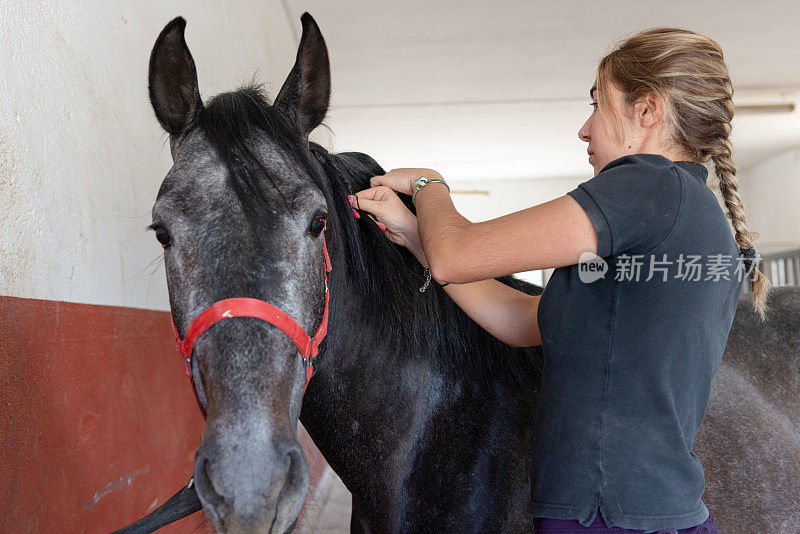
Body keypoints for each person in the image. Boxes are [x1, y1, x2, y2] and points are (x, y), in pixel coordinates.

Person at [348, 27, 769, 533]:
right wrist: (418, 236)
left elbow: (456, 253)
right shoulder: (690, 213)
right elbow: (522, 320)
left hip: (607, 519)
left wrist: (428, 185)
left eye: (597, 104)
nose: (585, 129)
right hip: (644, 514)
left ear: (648, 111)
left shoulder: (649, 186)